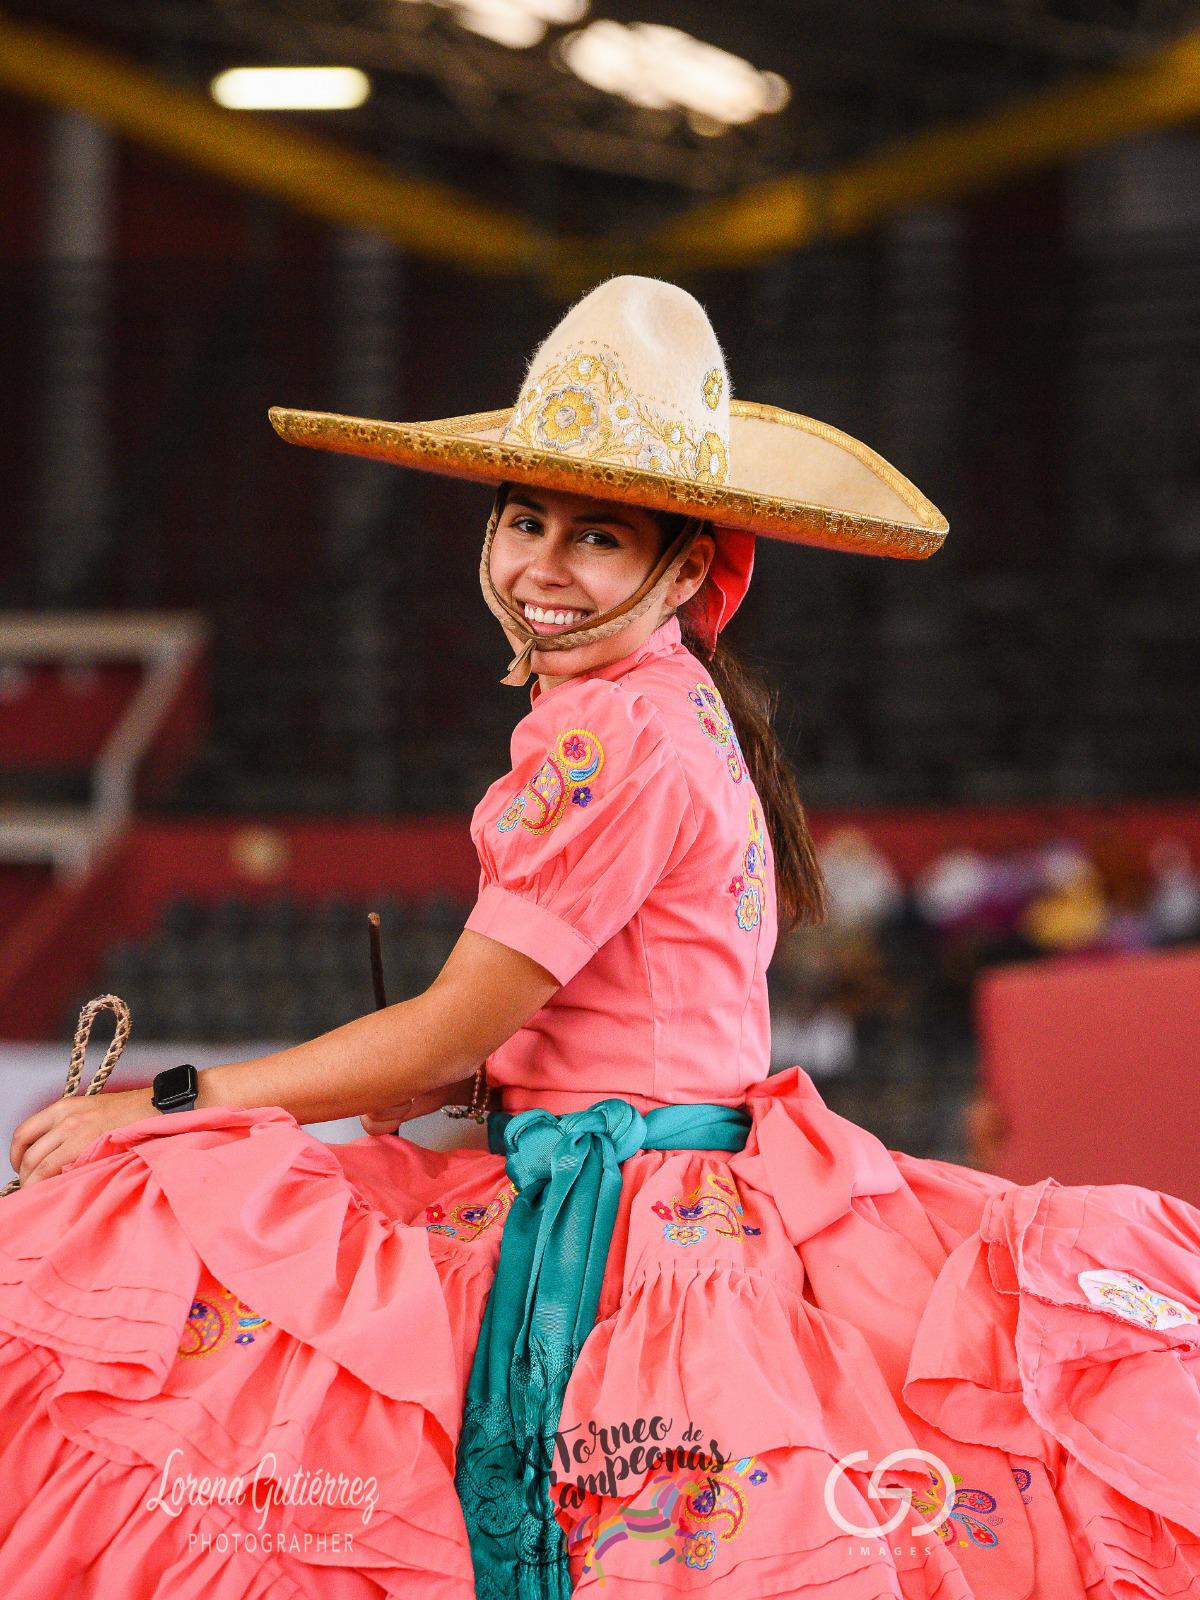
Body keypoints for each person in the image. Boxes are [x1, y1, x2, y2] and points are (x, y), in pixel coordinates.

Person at [4, 276, 1200, 1599]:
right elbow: (583, 1027)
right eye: (526, 520)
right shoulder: (675, 708)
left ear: (685, 568)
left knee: (141, 1249)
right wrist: (475, 1081)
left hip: (621, 1219)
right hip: (679, 1184)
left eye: (600, 540)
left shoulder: (606, 729)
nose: (543, 568)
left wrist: (172, 1102)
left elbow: (460, 1017)